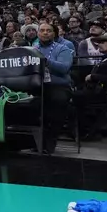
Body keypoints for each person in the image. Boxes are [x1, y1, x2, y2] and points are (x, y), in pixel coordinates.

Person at [34, 22, 73, 153]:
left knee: (57, 102)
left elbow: (64, 68)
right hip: (38, 86)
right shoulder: (33, 48)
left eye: (48, 30)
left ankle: (50, 142)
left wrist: (44, 60)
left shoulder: (63, 48)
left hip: (59, 85)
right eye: (42, 30)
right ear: (38, 33)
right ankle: (35, 141)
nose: (45, 33)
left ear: (54, 33)